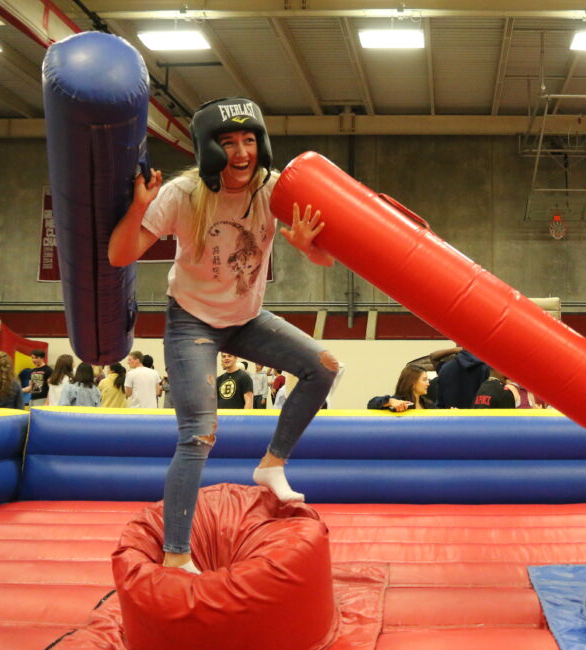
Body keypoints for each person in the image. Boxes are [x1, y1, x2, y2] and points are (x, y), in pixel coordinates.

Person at [108, 96, 338, 575]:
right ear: (210, 148)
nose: (241, 152)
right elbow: (119, 254)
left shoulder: (275, 189)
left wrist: (306, 247)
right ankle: (176, 553)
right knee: (198, 435)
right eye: (229, 142)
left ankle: (271, 464)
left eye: (249, 140)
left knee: (323, 367)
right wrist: (139, 208)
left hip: (246, 317)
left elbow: (325, 261)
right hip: (192, 320)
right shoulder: (183, 193)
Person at [368, 365, 434, 412]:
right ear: (412, 382)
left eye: (428, 380)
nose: (428, 383)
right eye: (424, 380)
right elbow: (371, 404)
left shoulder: (429, 405)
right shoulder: (398, 401)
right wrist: (390, 401)